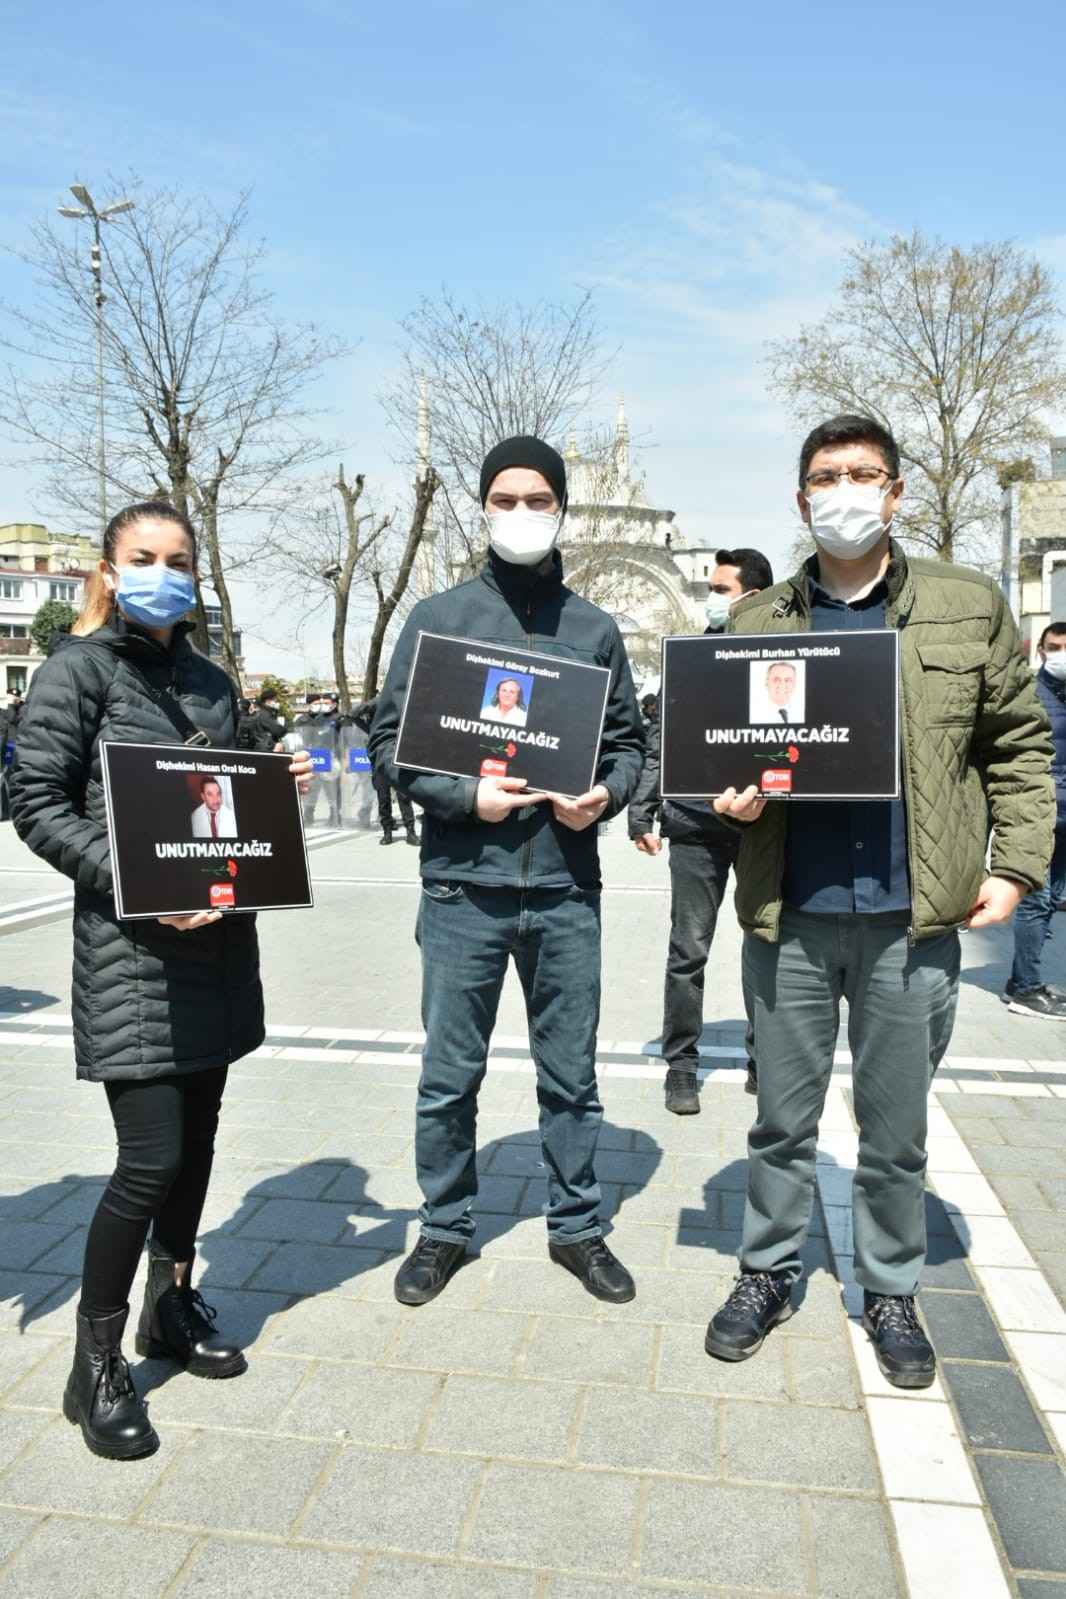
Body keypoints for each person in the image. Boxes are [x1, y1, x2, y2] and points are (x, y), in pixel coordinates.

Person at [703, 414, 1054, 1390]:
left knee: (895, 1131)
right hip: (792, 915)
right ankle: (766, 1271)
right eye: (826, 476)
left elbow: (1019, 747)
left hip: (914, 919)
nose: (844, 491)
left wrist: (1016, 869)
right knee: (781, 1121)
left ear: (895, 492)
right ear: (800, 497)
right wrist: (728, 801)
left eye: (863, 474)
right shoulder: (755, 624)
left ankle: (891, 1288)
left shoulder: (965, 604)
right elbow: (717, 761)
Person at [9, 499, 311, 1461]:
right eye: (144, 556)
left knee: (199, 1142)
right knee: (149, 1157)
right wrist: (135, 883)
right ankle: (93, 1364)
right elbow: (35, 801)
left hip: (215, 950)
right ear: (109, 568)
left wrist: (274, 782)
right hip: (131, 955)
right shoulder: (76, 670)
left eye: (178, 559)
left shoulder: (211, 678)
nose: (162, 574)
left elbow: (217, 794)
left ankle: (169, 1304)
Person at [370, 436, 645, 1309]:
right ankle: (445, 1226)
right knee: (449, 1076)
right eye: (505, 498)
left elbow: (630, 744)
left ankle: (578, 1226)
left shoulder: (594, 629)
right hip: (463, 889)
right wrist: (464, 797)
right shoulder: (439, 619)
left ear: (561, 508)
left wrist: (605, 794)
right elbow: (387, 742)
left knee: (572, 1077)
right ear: (483, 506)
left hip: (565, 890)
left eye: (538, 499)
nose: (521, 513)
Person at [629, 547, 773, 1111]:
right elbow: (659, 741)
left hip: (764, 828)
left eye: (720, 589)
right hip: (694, 824)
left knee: (767, 944)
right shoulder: (689, 660)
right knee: (688, 951)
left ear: (752, 596)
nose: (711, 599)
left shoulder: (786, 658)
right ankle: (682, 1066)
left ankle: (764, 1058)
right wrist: (642, 813)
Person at [1004, 620, 1066, 1017]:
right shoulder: (1030, 694)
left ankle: (1022, 979)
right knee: (1036, 900)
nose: (1062, 656)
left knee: (1053, 899)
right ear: (1041, 651)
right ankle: (1025, 989)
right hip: (1041, 812)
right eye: (1055, 647)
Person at [353, 695, 418, 845]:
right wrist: (375, 702)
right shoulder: (373, 727)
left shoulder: (398, 718)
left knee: (404, 798)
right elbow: (353, 714)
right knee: (383, 799)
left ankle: (411, 832)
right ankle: (387, 832)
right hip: (380, 764)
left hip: (399, 762)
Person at [754, 660, 803, 725]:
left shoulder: (801, 713)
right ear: (766, 683)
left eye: (787, 680)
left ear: (794, 684)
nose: (782, 685)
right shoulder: (755, 715)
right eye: (777, 680)